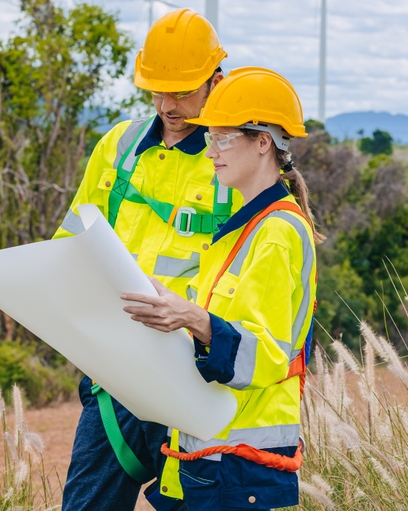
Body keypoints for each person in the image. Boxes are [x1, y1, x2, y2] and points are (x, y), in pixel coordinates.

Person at [54, 9, 243, 510]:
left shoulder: (237, 158)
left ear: (215, 82)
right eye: (156, 90)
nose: (167, 105)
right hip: (114, 374)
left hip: (195, 379)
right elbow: (70, 241)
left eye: (180, 91)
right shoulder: (117, 147)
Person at [122, 66, 320, 511]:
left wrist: (191, 317)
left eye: (223, 139)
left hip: (243, 465)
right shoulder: (236, 230)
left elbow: (265, 354)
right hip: (207, 455)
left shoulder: (278, 232)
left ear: (263, 141)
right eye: (209, 139)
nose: (210, 153)